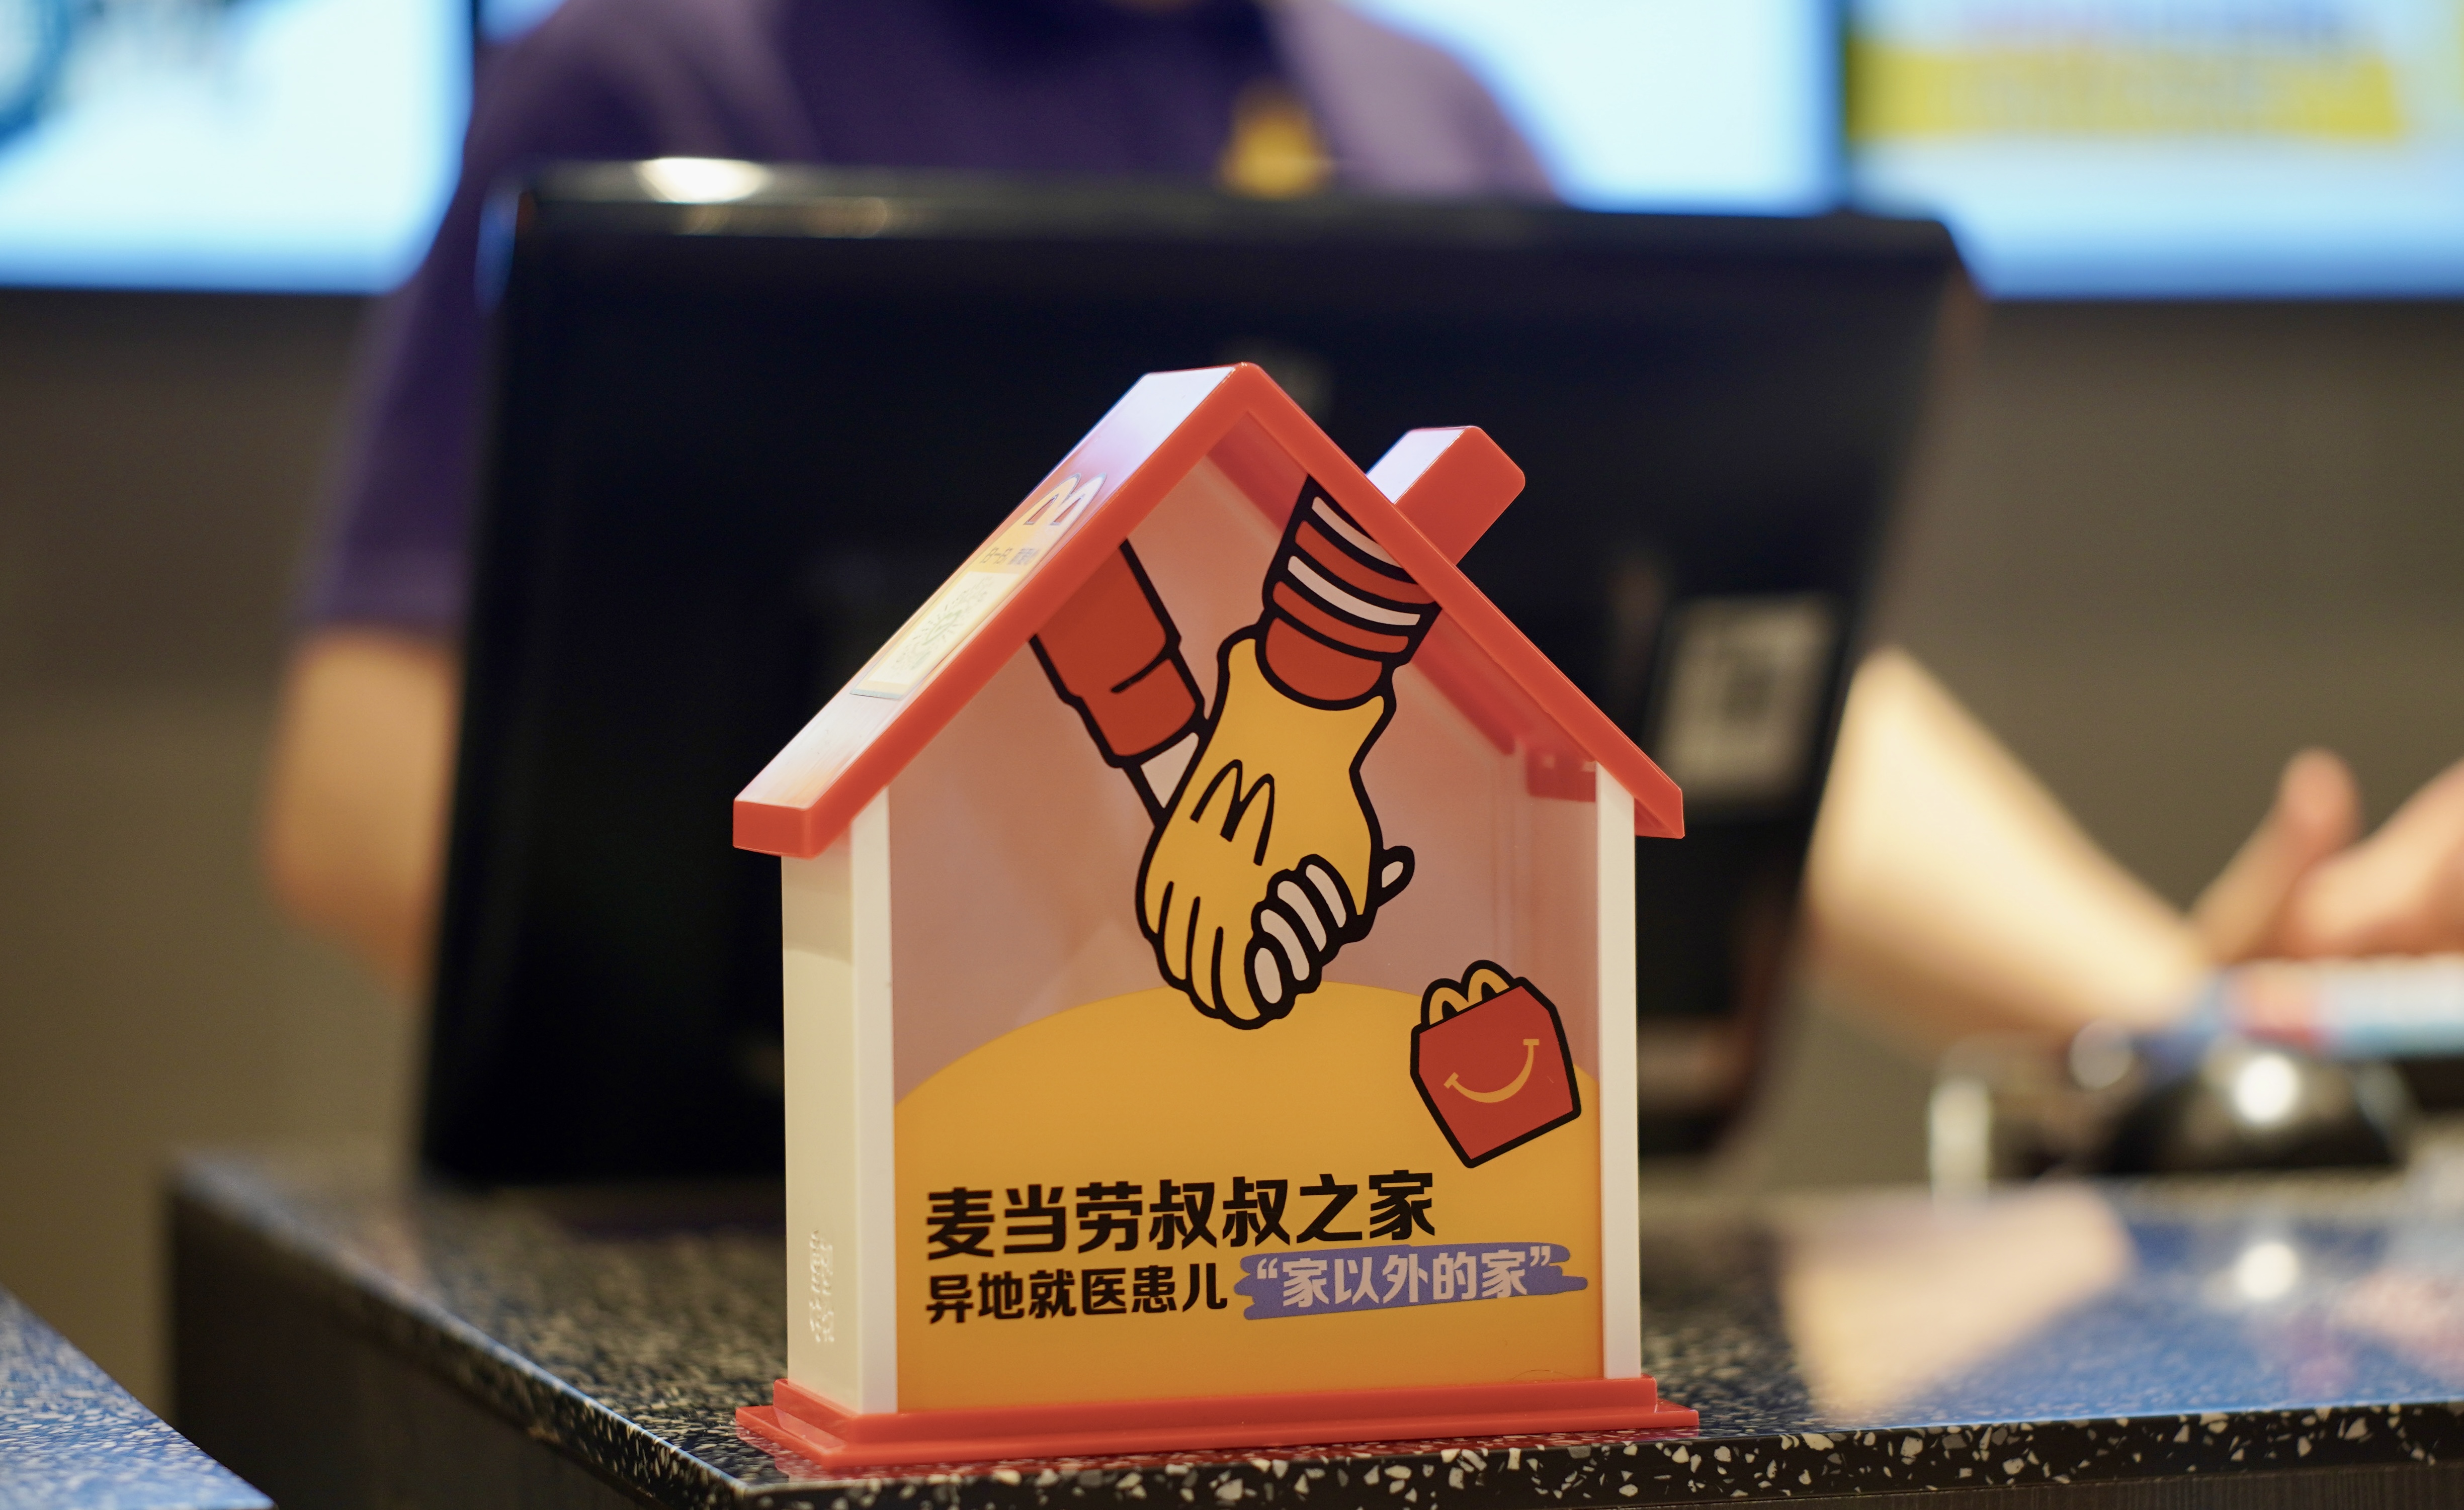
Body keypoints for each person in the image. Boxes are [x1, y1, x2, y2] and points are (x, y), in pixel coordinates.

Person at [262, 0, 2464, 1046]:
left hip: (1373, 1233)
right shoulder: (655, 87)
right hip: (784, 1278)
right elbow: (365, 789)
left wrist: (2187, 1021)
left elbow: (1692, 698)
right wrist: (1017, 994)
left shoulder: (1427, 117)